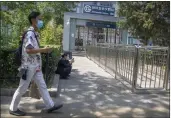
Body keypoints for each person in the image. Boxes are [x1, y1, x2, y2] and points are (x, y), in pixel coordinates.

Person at [9, 11, 63, 116]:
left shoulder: (34, 33)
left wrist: (43, 49)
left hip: (35, 66)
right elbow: (28, 50)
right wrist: (44, 50)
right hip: (28, 66)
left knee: (42, 85)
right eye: (40, 19)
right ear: (34, 20)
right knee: (22, 88)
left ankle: (50, 105)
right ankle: (13, 108)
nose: (41, 21)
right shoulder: (30, 33)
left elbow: (34, 49)